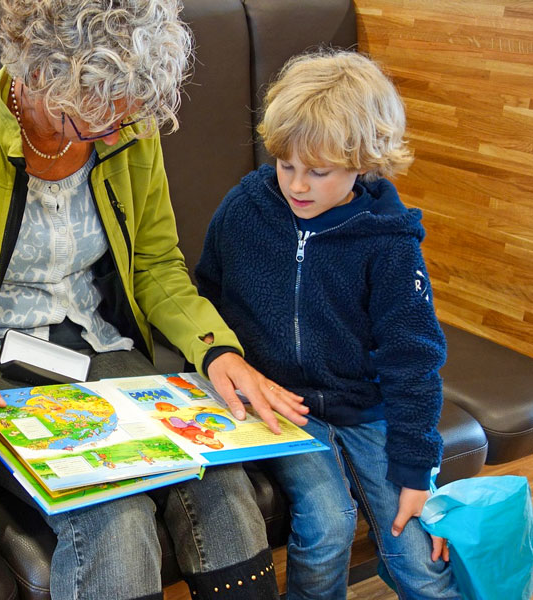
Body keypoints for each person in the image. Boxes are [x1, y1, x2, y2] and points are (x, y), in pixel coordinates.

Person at [0, 1, 308, 598]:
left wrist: (217, 352)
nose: (118, 132)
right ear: (41, 77)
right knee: (114, 511)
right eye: (97, 117)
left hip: (100, 348)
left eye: (127, 113)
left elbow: (157, 265)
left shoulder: (127, 122)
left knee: (221, 483)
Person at [195, 49, 460, 599]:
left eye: (319, 172)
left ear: (364, 162)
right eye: (286, 164)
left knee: (421, 556)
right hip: (282, 407)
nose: (297, 185)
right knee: (328, 522)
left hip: (367, 408)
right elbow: (206, 294)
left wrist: (418, 471)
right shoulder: (246, 206)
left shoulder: (388, 239)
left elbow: (414, 360)